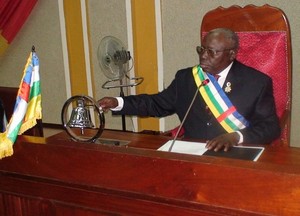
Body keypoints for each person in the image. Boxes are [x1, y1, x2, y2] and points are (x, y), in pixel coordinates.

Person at [97, 28, 281, 152]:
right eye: (201, 49)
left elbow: (270, 128)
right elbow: (156, 104)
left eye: (212, 52)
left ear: (232, 54)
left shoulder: (257, 82)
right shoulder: (187, 78)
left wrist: (236, 136)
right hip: (192, 154)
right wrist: (118, 103)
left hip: (236, 155)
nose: (203, 56)